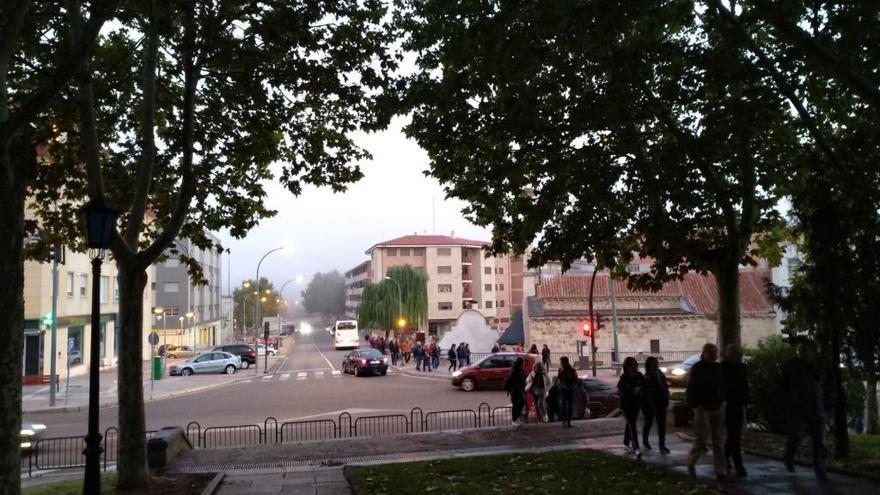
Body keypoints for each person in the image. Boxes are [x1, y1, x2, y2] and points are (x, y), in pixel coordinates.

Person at [783, 340, 828, 481]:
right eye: (801, 350)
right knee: (796, 436)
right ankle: (789, 455)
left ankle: (819, 467)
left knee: (819, 441)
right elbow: (783, 386)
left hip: (816, 408)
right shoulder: (791, 366)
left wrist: (828, 403)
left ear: (813, 352)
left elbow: (826, 383)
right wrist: (788, 403)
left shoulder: (818, 365)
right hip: (799, 409)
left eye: (806, 350)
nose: (804, 353)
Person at [686, 343, 727, 481]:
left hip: (718, 406)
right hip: (703, 407)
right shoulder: (697, 368)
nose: (715, 355)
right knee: (701, 439)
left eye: (715, 352)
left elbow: (722, 385)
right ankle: (691, 462)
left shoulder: (718, 367)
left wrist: (722, 399)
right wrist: (695, 405)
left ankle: (720, 471)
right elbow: (692, 388)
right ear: (704, 353)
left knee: (718, 440)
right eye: (712, 352)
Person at [722, 344, 749, 477]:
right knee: (734, 436)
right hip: (727, 405)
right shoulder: (722, 368)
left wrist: (745, 401)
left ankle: (725, 456)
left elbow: (744, 386)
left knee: (734, 435)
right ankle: (738, 464)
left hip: (738, 404)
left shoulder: (742, 367)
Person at [642, 356, 670, 454]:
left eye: (656, 363)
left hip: (661, 402)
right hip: (651, 404)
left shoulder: (661, 374)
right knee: (648, 423)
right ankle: (645, 441)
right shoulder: (647, 377)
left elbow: (665, 387)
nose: (655, 365)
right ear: (649, 365)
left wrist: (666, 397)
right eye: (653, 363)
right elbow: (648, 392)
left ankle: (662, 446)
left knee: (661, 425)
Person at [618, 357, 644, 459]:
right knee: (632, 425)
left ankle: (626, 441)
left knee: (630, 423)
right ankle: (636, 448)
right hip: (626, 405)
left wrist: (640, 390)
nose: (633, 367)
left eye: (634, 364)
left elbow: (644, 386)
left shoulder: (639, 376)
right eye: (631, 365)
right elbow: (622, 392)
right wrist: (633, 391)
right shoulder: (624, 378)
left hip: (636, 404)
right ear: (627, 367)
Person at [557, 356, 578, 427]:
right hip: (563, 389)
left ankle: (568, 420)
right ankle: (564, 419)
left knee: (569, 406)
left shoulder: (572, 370)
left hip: (570, 390)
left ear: (565, 362)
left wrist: (572, 386)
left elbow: (575, 379)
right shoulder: (560, 370)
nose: (561, 363)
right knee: (563, 405)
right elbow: (559, 379)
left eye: (561, 362)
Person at [505, 357, 528, 424]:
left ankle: (517, 419)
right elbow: (511, 381)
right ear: (520, 364)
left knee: (521, 404)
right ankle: (515, 420)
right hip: (516, 392)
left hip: (519, 391)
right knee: (518, 405)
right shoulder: (515, 371)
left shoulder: (519, 371)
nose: (524, 364)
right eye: (523, 363)